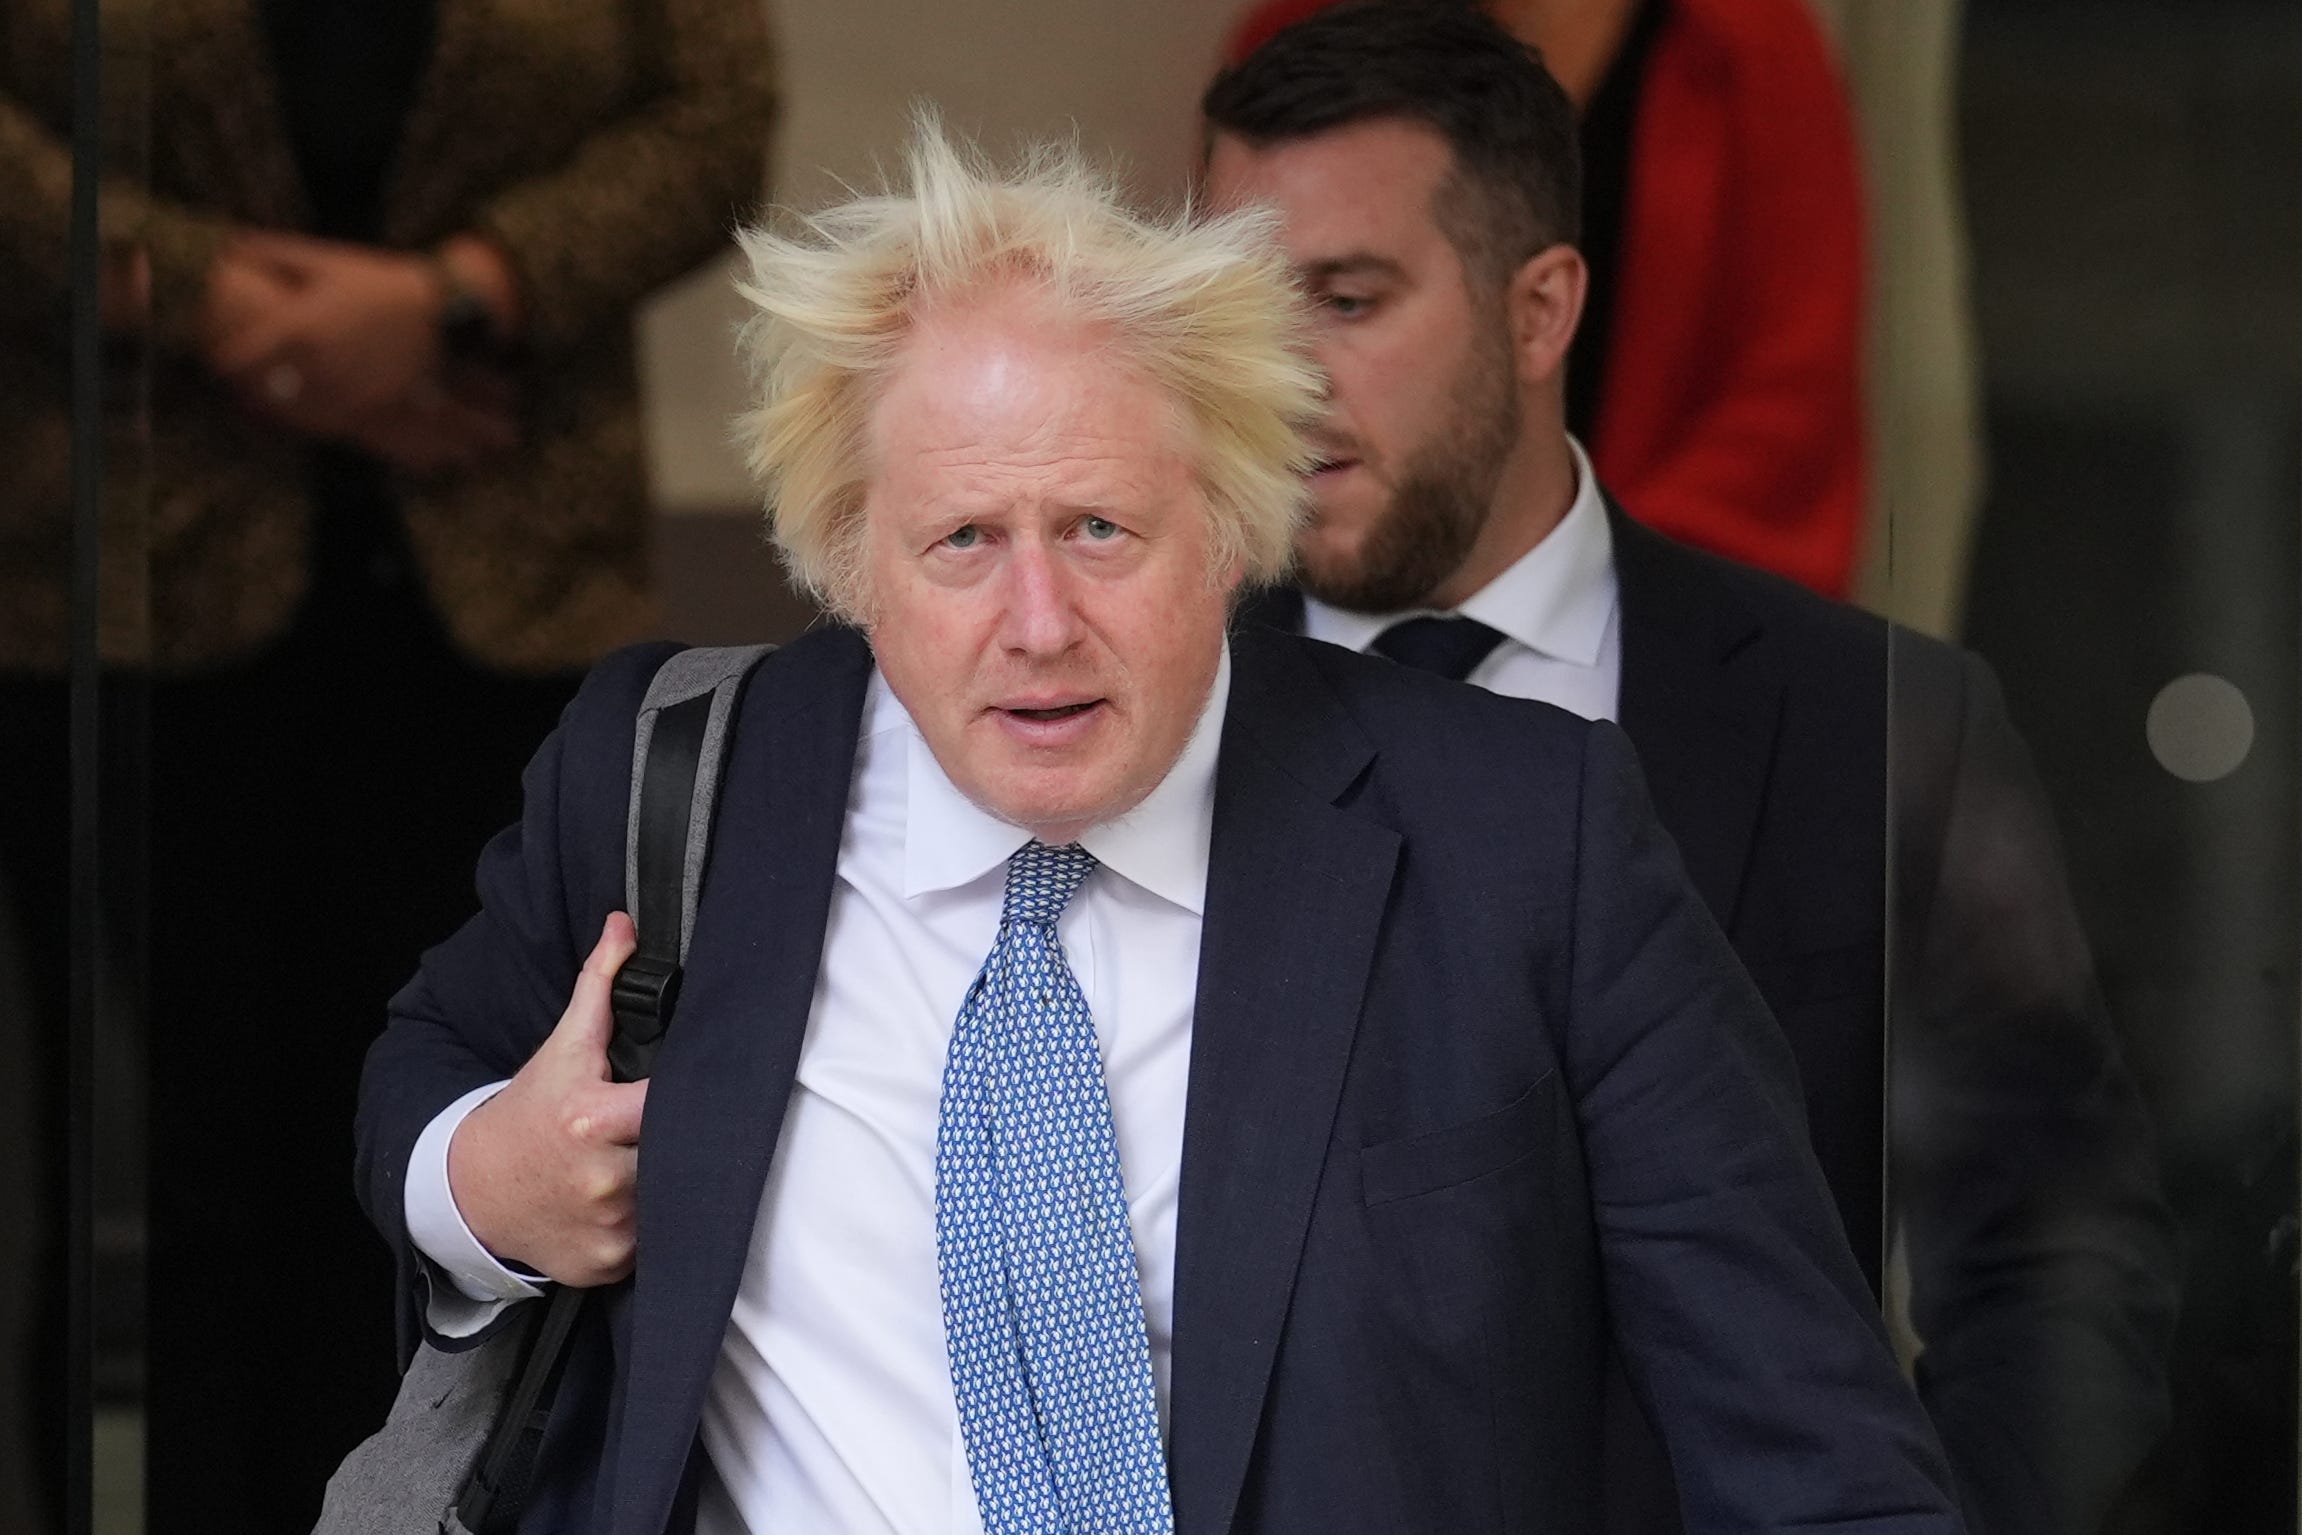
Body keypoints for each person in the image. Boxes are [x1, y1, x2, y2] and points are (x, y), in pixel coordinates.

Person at [354, 120, 1964, 1533]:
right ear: (850, 558)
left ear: (1231, 527)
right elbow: (425, 1071)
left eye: (1101, 529)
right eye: (962, 539)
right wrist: (487, 1182)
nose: (1036, 619)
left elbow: (1810, 1448)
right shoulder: (670, 780)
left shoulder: (1525, 836)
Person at [1198, 6, 2180, 1534]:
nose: (1282, 377)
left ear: (1539, 311)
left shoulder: (1868, 720)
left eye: (1347, 297)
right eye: (1238, 307)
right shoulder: (1142, 707)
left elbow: (2055, 1254)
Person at [0, 1, 777, 1526]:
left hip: (504, 591)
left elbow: (708, 120)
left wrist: (455, 298)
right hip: (130, 576)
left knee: (469, 1138)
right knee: (164, 1174)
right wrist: (220, 300)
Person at [1224, 0, 1868, 598]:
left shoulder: (1742, 47)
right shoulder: (1308, 29)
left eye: (1351, 301)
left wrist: (1578, 588)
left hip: (1661, 599)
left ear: (1545, 308)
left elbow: (1791, 393)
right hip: (1341, 600)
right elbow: (1226, 345)